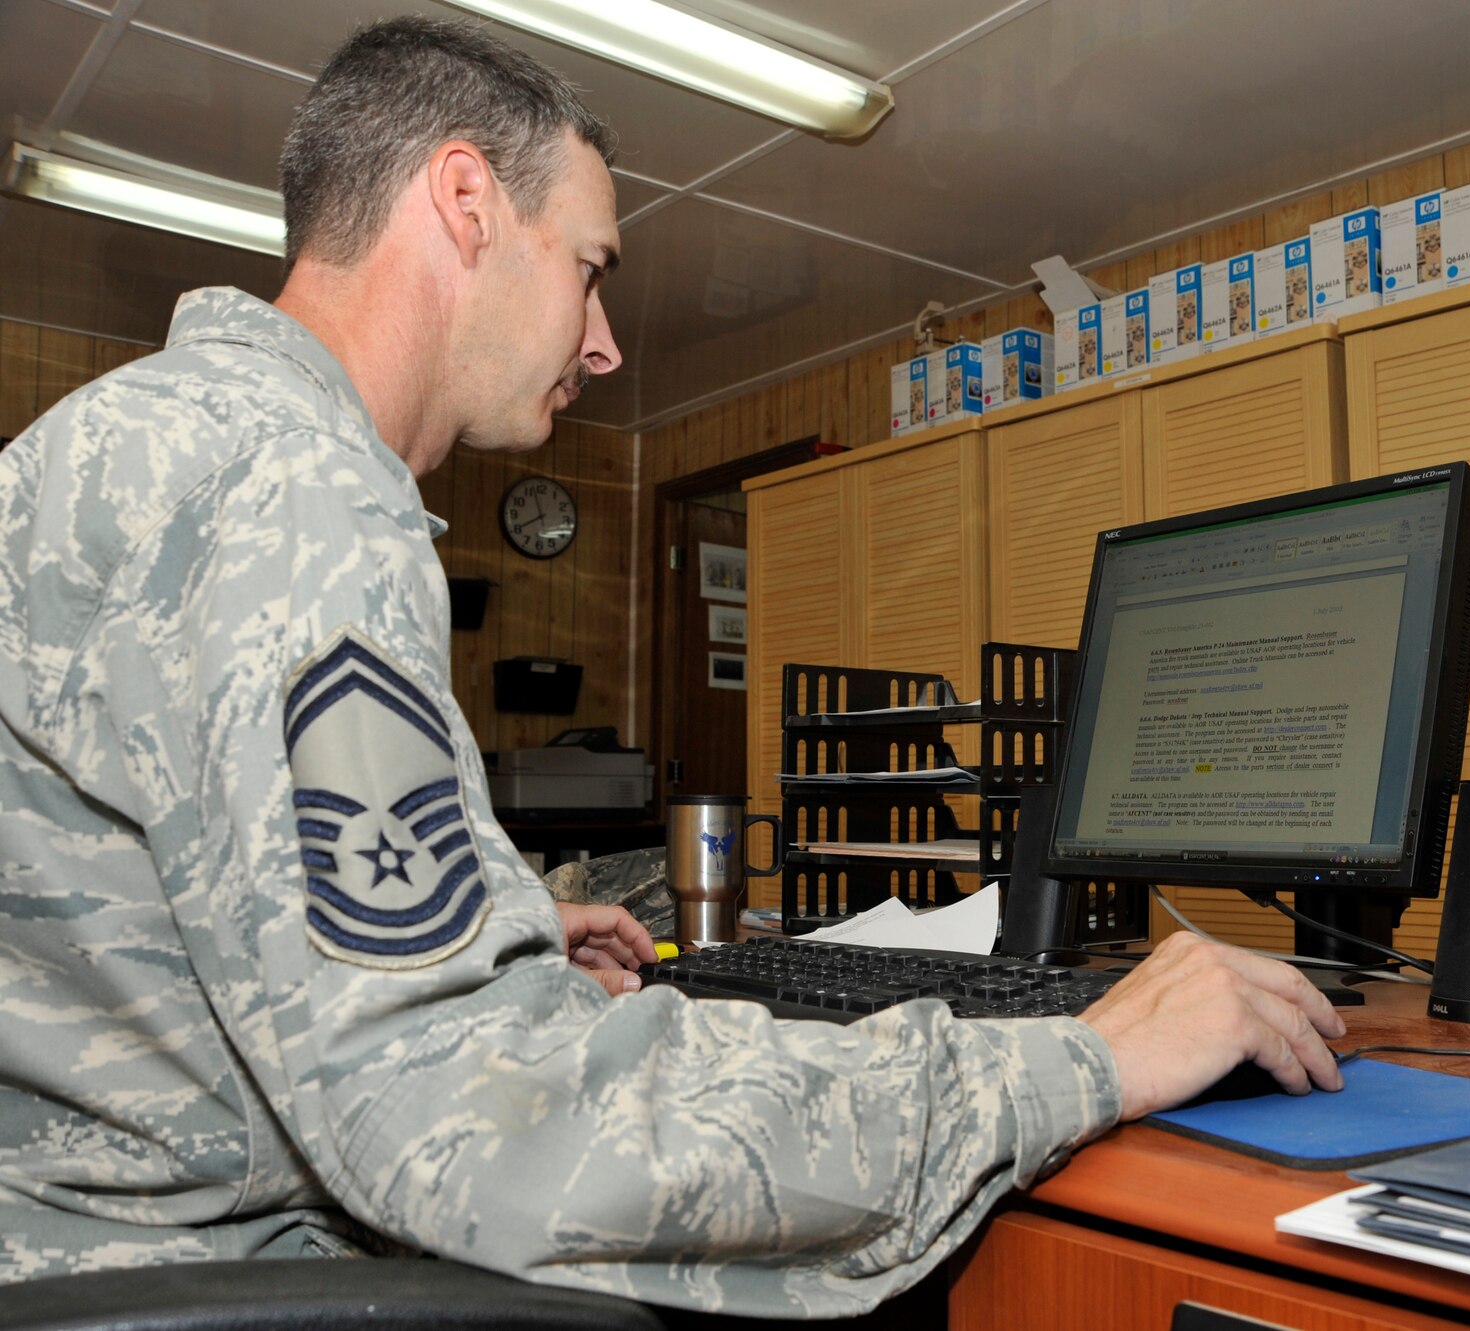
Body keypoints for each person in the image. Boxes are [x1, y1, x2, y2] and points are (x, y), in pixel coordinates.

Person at [0, 16, 1344, 1317]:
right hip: (198, 1275)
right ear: (464, 202)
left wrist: (502, 927)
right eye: (589, 267)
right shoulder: (296, 497)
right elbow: (464, 1133)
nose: (606, 345)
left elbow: (180, 897)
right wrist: (1076, 1059)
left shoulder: (117, 444)